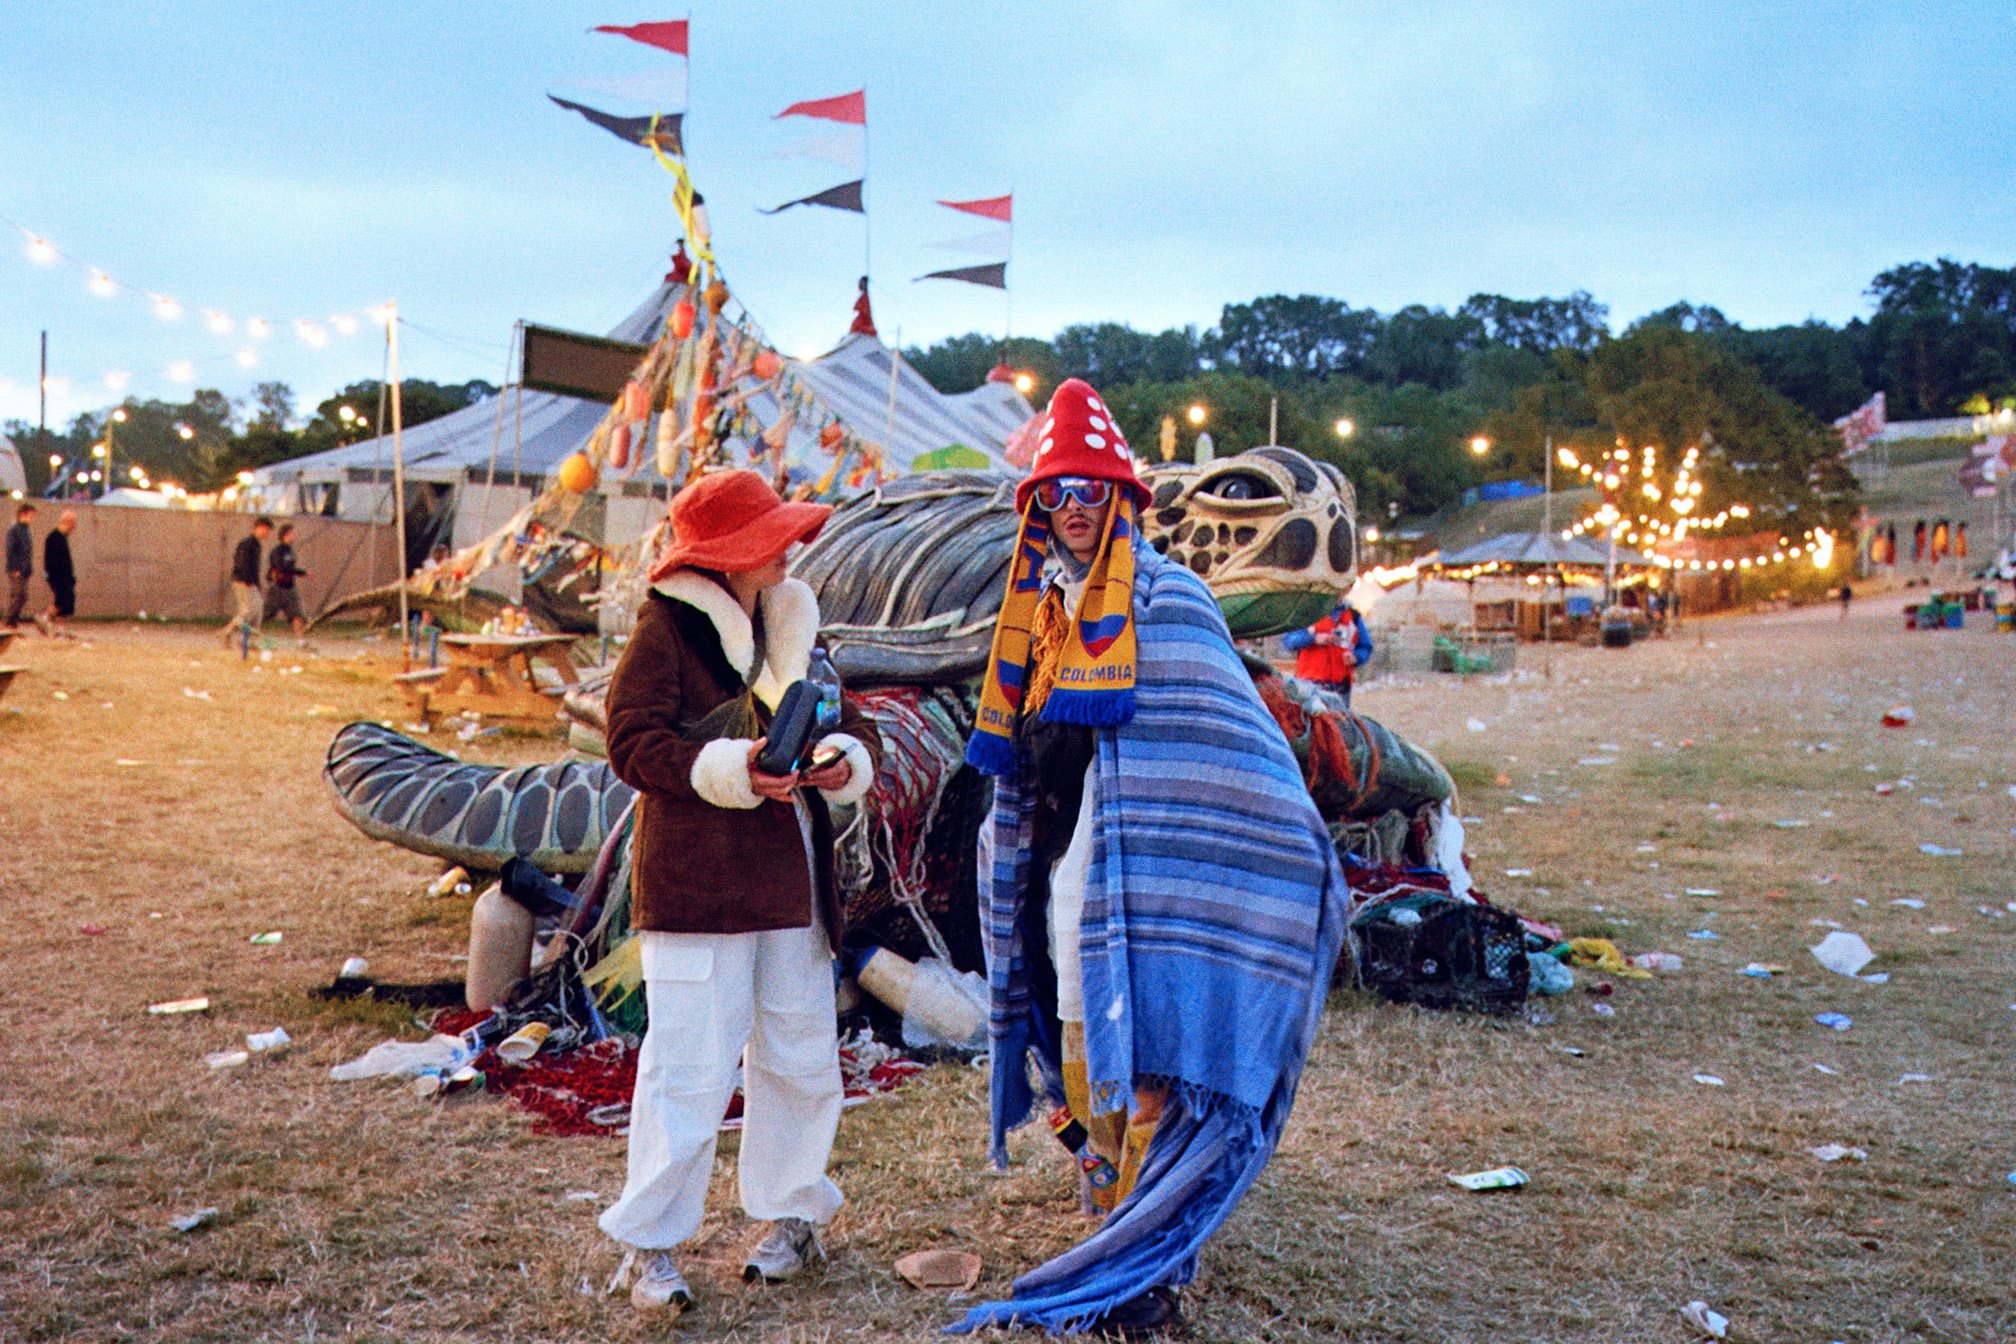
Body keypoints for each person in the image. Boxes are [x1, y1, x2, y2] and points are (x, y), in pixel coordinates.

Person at [955, 380, 1347, 1337]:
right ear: (1035, 510)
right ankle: (1120, 1212)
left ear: (1124, 500)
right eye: (1056, 494)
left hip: (1158, 875)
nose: (1075, 509)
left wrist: (1289, 845)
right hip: (1073, 872)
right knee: (1083, 1033)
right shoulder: (1038, 612)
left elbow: (1232, 745)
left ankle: (1148, 1259)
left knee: (1159, 1049)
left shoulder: (1169, 601)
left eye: (1094, 491)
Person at [597, 469, 882, 1317]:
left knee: (799, 1054)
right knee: (687, 1065)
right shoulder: (667, 630)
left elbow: (849, 722)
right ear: (728, 556)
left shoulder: (792, 621)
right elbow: (631, 742)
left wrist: (839, 761)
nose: (787, 549)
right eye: (769, 538)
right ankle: (649, 1244)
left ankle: (794, 1214)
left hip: (791, 878)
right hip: (699, 883)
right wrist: (732, 769)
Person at [1281, 598, 1373, 709]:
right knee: (1311, 724)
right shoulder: (1306, 614)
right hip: (1309, 686)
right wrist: (1314, 639)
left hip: (1341, 688)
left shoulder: (1353, 616)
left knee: (1339, 725)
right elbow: (1288, 641)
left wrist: (1356, 657)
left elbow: (1365, 647)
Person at [219, 517, 271, 647]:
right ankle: (227, 632)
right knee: (247, 611)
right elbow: (241, 562)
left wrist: (257, 584)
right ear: (257, 528)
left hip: (251, 583)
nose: (267, 533)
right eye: (265, 530)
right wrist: (247, 581)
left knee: (257, 611)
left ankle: (249, 641)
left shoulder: (257, 545)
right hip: (243, 582)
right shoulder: (247, 543)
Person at [264, 523, 309, 640]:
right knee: (264, 615)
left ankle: (301, 642)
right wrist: (301, 572)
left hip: (290, 588)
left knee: (297, 615)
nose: (295, 535)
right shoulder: (277, 551)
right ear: (285, 535)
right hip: (277, 589)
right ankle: (243, 637)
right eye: (292, 533)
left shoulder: (291, 551)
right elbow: (281, 567)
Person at [43, 510, 77, 636]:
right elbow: (53, 559)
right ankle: (45, 618)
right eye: (74, 522)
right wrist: (56, 575)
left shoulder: (62, 537)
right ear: (67, 522)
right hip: (58, 575)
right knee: (62, 600)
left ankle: (60, 627)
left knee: (64, 600)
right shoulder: (55, 537)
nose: (75, 526)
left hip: (63, 575)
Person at [5, 502, 35, 630]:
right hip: (17, 569)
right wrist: (14, 568)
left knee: (22, 596)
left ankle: (12, 621)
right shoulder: (14, 530)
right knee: (17, 594)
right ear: (23, 514)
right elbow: (10, 550)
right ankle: (9, 621)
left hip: (25, 569)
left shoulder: (26, 530)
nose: (33, 518)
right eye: (31, 515)